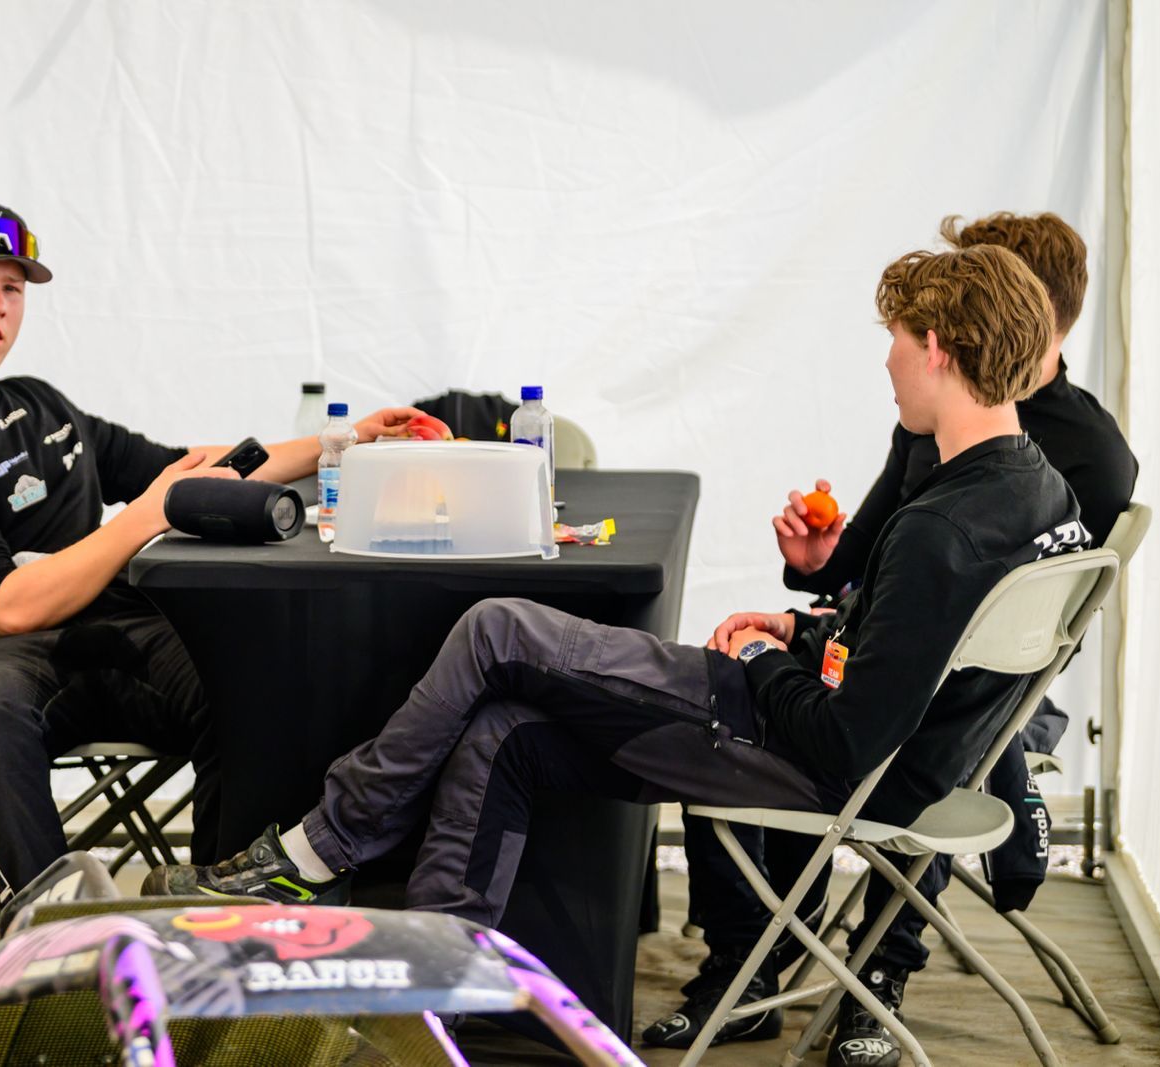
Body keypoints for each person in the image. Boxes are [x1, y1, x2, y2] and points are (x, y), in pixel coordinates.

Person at [143, 244, 1090, 1049]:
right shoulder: (1037, 489)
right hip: (896, 757)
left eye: (894, 341)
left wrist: (764, 658)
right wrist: (800, 624)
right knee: (505, 731)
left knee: (495, 627)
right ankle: (426, 1011)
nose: (886, 363)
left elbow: (847, 741)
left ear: (937, 348)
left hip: (810, 758)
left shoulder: (941, 526)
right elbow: (920, 647)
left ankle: (315, 849)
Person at [0, 200, 419, 1000]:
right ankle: (57, 962)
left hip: (112, 641)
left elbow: (188, 469)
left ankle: (229, 927)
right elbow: (12, 604)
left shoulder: (38, 402)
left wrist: (346, 442)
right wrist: (147, 514)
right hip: (16, 661)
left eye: (13, 288)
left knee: (253, 679)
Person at [674, 211, 1138, 1065]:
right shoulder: (938, 423)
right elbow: (873, 560)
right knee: (804, 687)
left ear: (1037, 314)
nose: (935, 334)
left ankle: (873, 970)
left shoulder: (1083, 460)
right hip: (904, 656)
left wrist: (795, 656)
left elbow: (1006, 622)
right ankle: (765, 961)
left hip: (985, 699)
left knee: (764, 710)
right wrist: (816, 580)